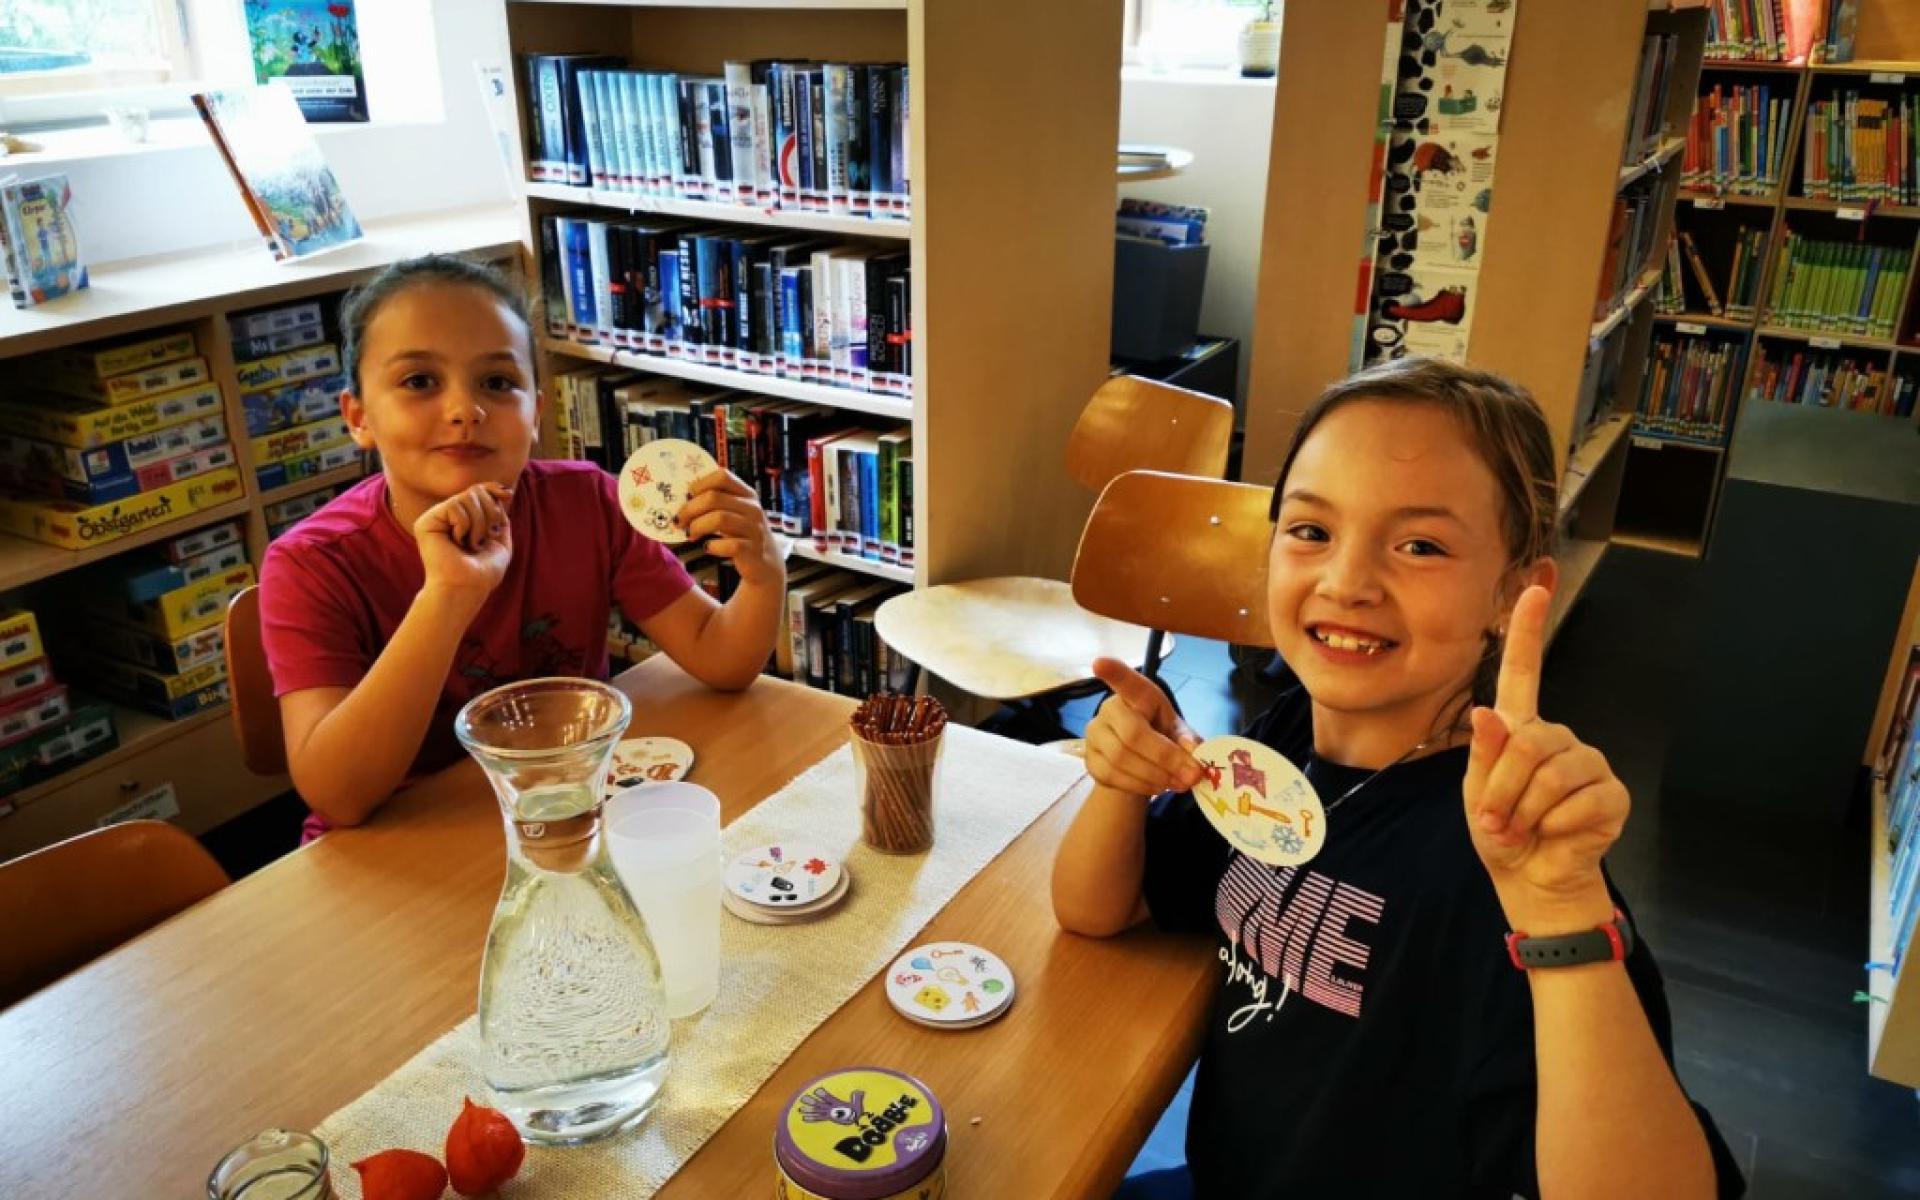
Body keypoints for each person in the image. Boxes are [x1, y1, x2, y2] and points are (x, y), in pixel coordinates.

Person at [1051, 357, 1743, 1197]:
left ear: (1513, 593)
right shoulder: (1285, 740)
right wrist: (1119, 781)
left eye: (1420, 545)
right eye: (1311, 530)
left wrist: (1564, 918)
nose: (1346, 582)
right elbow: (1100, 908)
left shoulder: (1506, 858)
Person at [259, 255, 784, 838]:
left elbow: (723, 657)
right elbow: (340, 795)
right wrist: (449, 595)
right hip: (403, 846)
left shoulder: (586, 501)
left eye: (498, 383)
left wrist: (763, 573)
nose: (465, 411)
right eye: (419, 382)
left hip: (563, 814)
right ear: (358, 416)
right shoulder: (311, 564)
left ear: (536, 412)